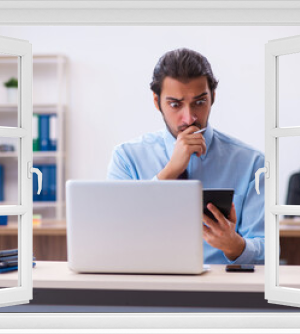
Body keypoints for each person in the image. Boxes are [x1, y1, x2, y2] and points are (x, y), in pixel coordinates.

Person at [107, 48, 264, 264]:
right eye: (175, 104)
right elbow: (114, 238)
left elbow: (267, 250)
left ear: (213, 97)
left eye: (199, 102)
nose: (189, 118)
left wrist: (235, 246)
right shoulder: (126, 158)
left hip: (221, 291)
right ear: (156, 102)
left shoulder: (253, 164)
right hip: (146, 286)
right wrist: (170, 172)